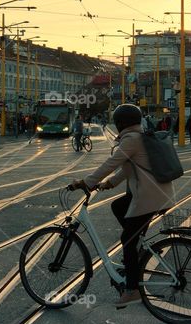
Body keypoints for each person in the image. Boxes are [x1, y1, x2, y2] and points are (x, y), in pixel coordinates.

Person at [71, 104, 174, 308]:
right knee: (118, 206)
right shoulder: (139, 136)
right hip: (156, 194)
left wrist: (87, 182)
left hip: (149, 197)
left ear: (120, 123)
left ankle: (132, 289)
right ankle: (139, 249)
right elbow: (129, 168)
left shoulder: (131, 140)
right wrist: (110, 183)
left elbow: (112, 163)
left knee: (127, 239)